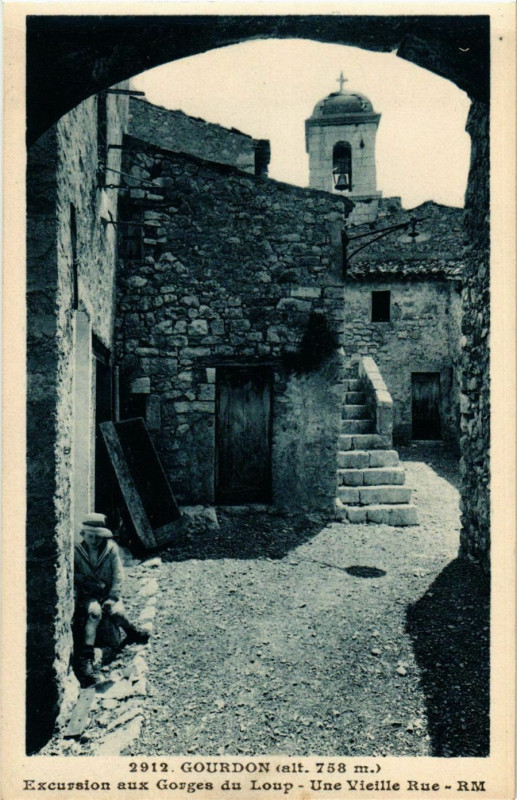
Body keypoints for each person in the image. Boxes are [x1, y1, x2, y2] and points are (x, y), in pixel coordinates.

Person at [74, 512, 150, 686]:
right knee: (94, 614)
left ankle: (131, 631)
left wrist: (113, 597)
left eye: (98, 537)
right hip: (89, 595)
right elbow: (75, 575)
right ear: (83, 535)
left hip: (107, 593)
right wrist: (85, 582)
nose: (94, 540)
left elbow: (118, 575)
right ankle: (86, 659)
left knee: (117, 613)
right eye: (90, 536)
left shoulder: (111, 549)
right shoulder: (77, 552)